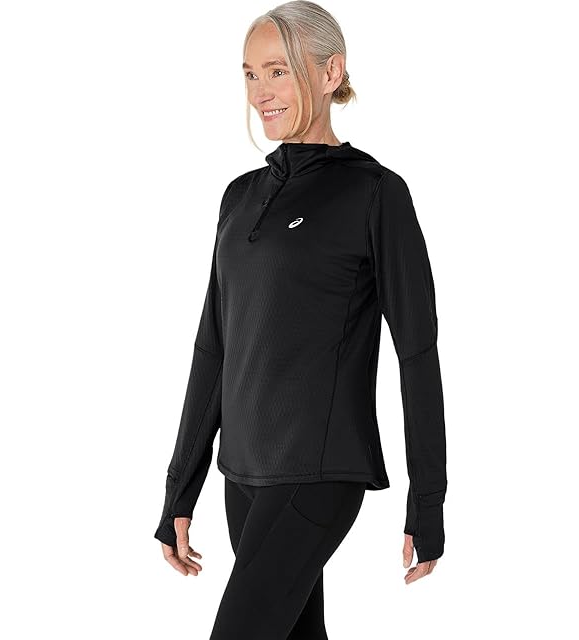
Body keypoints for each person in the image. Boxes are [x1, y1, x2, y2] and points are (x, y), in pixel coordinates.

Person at [154, 1, 448, 637]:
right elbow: (213, 347)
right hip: (243, 472)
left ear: (330, 72)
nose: (260, 91)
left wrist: (427, 499)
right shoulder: (240, 197)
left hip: (319, 469)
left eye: (278, 71)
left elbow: (418, 353)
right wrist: (181, 487)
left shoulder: (374, 193)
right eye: (250, 74)